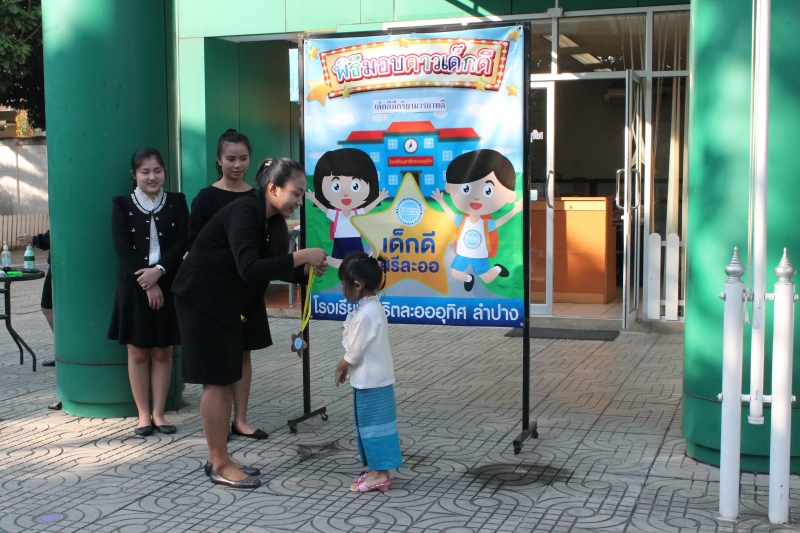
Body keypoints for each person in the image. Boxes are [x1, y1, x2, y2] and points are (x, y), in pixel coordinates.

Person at [172, 157, 328, 489]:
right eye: (296, 193)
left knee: (228, 378)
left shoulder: (269, 220)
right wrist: (302, 256)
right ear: (273, 188)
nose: (300, 201)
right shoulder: (244, 212)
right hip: (201, 300)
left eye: (302, 195)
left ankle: (222, 458)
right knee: (217, 382)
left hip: (225, 303)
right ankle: (219, 464)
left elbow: (270, 266)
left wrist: (305, 270)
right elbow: (250, 268)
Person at [188, 129, 267, 440]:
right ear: (219, 160)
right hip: (216, 292)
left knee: (244, 352)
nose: (237, 165)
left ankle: (241, 419)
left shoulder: (257, 198)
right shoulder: (206, 198)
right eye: (230, 158)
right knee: (219, 358)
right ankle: (218, 421)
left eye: (243, 158)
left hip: (248, 288)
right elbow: (194, 245)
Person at [108, 147, 189, 437]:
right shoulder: (122, 204)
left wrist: (160, 271)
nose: (152, 177)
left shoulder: (177, 202)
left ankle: (159, 413)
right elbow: (122, 247)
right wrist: (148, 281)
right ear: (135, 175)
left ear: (164, 172)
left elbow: (181, 241)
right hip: (135, 286)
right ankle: (143, 414)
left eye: (157, 170)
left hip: (168, 282)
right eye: (145, 172)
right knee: (138, 351)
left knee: (163, 350)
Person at [334, 253, 402, 493]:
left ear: (357, 285)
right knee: (376, 427)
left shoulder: (366, 314)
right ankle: (379, 470)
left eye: (344, 284)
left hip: (371, 383)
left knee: (373, 429)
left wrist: (341, 366)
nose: (342, 289)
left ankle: (378, 475)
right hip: (373, 380)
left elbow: (354, 351)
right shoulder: (370, 307)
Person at [431, 149, 523, 292]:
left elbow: (500, 222)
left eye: (488, 191)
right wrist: (442, 202)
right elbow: (451, 215)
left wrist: (514, 211)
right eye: (466, 189)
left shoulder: (485, 223)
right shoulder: (463, 220)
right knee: (456, 273)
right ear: (449, 187)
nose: (476, 197)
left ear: (510, 195)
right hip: (463, 253)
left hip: (480, 255)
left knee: (486, 278)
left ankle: (498, 268)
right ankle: (469, 279)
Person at [305, 148, 388, 268]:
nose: (345, 193)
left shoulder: (356, 212)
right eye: (336, 186)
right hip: (339, 239)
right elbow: (325, 210)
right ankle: (334, 261)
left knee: (357, 257)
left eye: (355, 186)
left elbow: (367, 208)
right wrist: (314, 200)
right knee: (339, 257)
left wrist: (378, 198)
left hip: (355, 238)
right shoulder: (336, 214)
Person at [18, 230, 54, 365]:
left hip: (61, 265)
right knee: (48, 307)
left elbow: (55, 235)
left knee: (48, 307)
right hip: (63, 263)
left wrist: (33, 239)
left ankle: (63, 349)